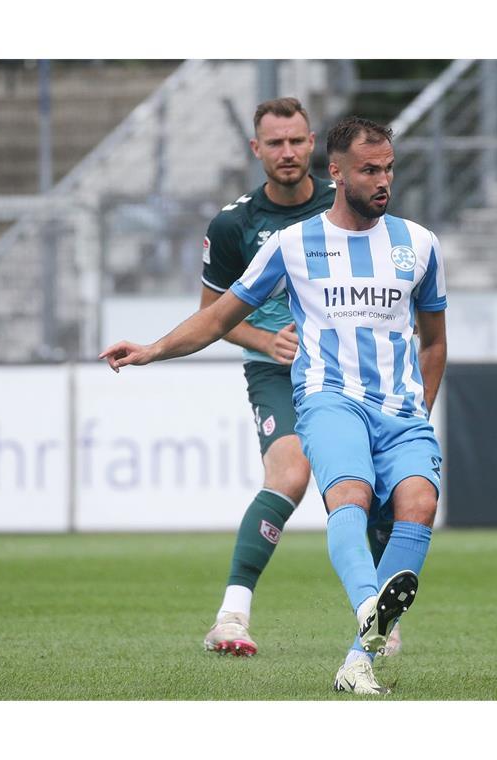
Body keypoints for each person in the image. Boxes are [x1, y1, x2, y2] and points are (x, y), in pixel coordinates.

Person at [100, 115, 447, 695]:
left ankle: (358, 660)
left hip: (402, 409)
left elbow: (433, 341)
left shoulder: (420, 244)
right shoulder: (293, 245)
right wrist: (153, 349)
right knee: (350, 496)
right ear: (336, 172)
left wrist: (420, 414)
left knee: (419, 502)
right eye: (369, 170)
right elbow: (217, 316)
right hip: (329, 400)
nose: (383, 180)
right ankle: (368, 607)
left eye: (388, 168)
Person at [194, 98, 402, 658]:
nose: (287, 152)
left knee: (378, 486)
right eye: (275, 143)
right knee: (288, 476)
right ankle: (231, 616)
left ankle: (381, 615)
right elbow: (213, 317)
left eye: (296, 141)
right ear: (255, 149)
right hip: (278, 372)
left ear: (313, 145)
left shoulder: (350, 204)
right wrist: (266, 340)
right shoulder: (235, 224)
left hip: (356, 372)